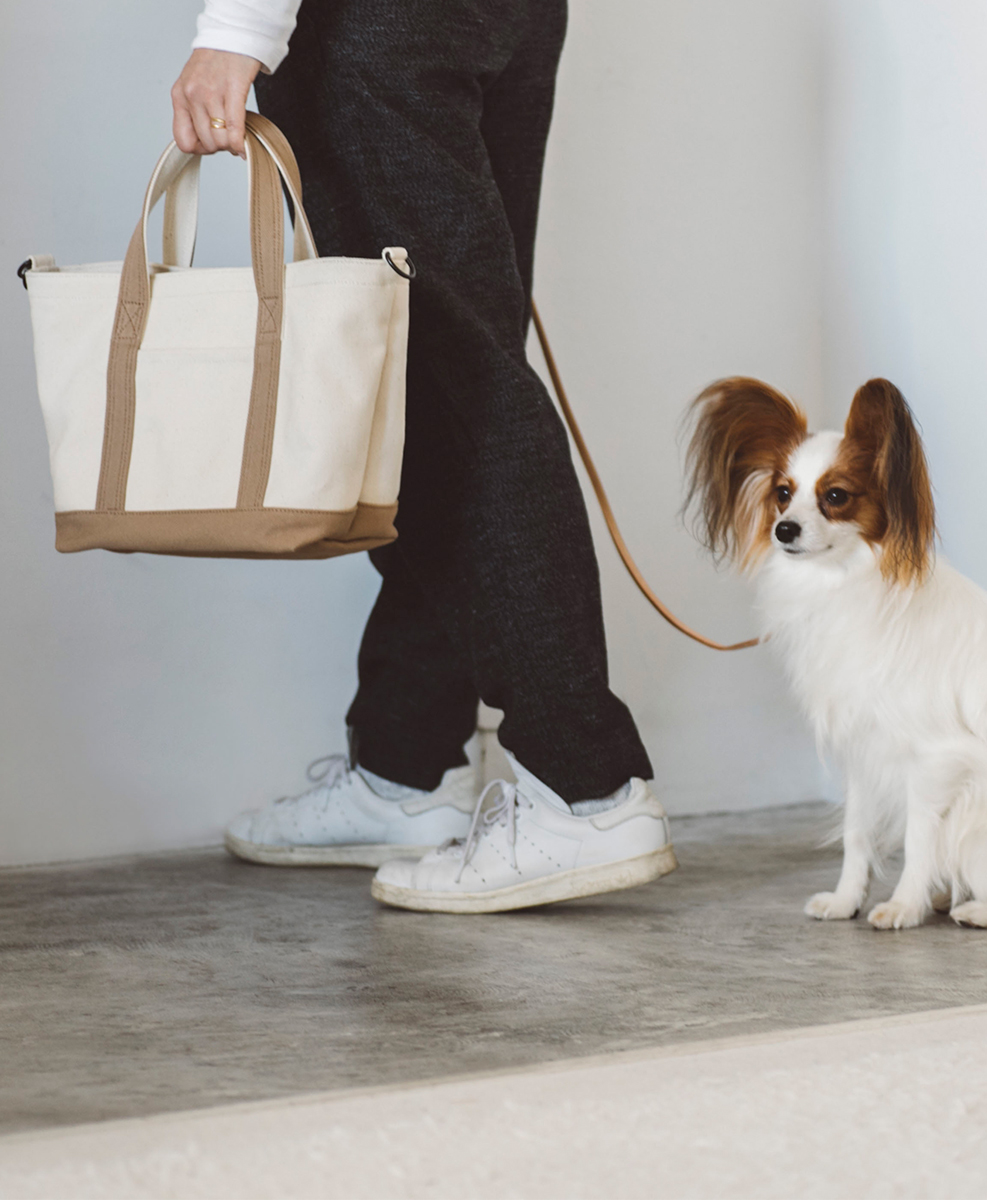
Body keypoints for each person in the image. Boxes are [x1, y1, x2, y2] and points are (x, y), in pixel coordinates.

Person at [173, 0, 675, 913]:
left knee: (455, 382)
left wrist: (237, 28)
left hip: (377, 23)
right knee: (439, 371)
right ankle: (404, 772)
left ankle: (585, 786)